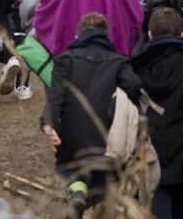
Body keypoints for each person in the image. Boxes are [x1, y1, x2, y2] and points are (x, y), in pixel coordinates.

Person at [42, 12, 142, 215]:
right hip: (105, 133)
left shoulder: (64, 60)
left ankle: (77, 193)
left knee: (74, 170)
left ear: (78, 35)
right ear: (106, 36)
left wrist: (49, 123)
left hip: (71, 135)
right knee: (104, 180)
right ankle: (98, 204)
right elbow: (134, 86)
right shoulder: (118, 61)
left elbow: (56, 96)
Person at [130, 8, 183, 219]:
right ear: (182, 34)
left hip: (149, 143)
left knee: (156, 200)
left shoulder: (135, 66)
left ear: (150, 34)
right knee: (179, 199)